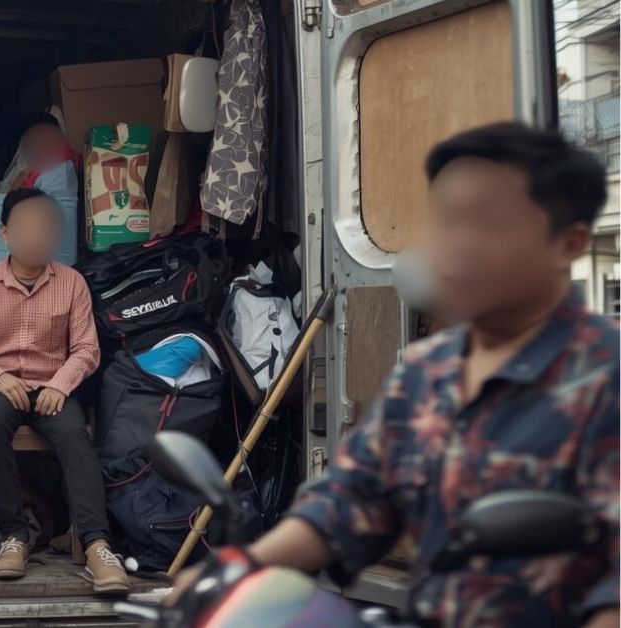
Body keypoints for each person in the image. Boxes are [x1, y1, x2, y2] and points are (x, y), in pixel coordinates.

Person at [174, 123, 619, 627]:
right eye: (446, 221)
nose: (459, 245)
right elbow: (347, 501)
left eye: (491, 223)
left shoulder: (605, 380)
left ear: (569, 243)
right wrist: (243, 570)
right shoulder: (430, 375)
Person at [0, 189, 129, 595]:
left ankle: (97, 544)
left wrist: (61, 385)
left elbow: (86, 349)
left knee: (74, 436)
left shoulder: (73, 284)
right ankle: (14, 537)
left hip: (53, 389)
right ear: (5, 233)